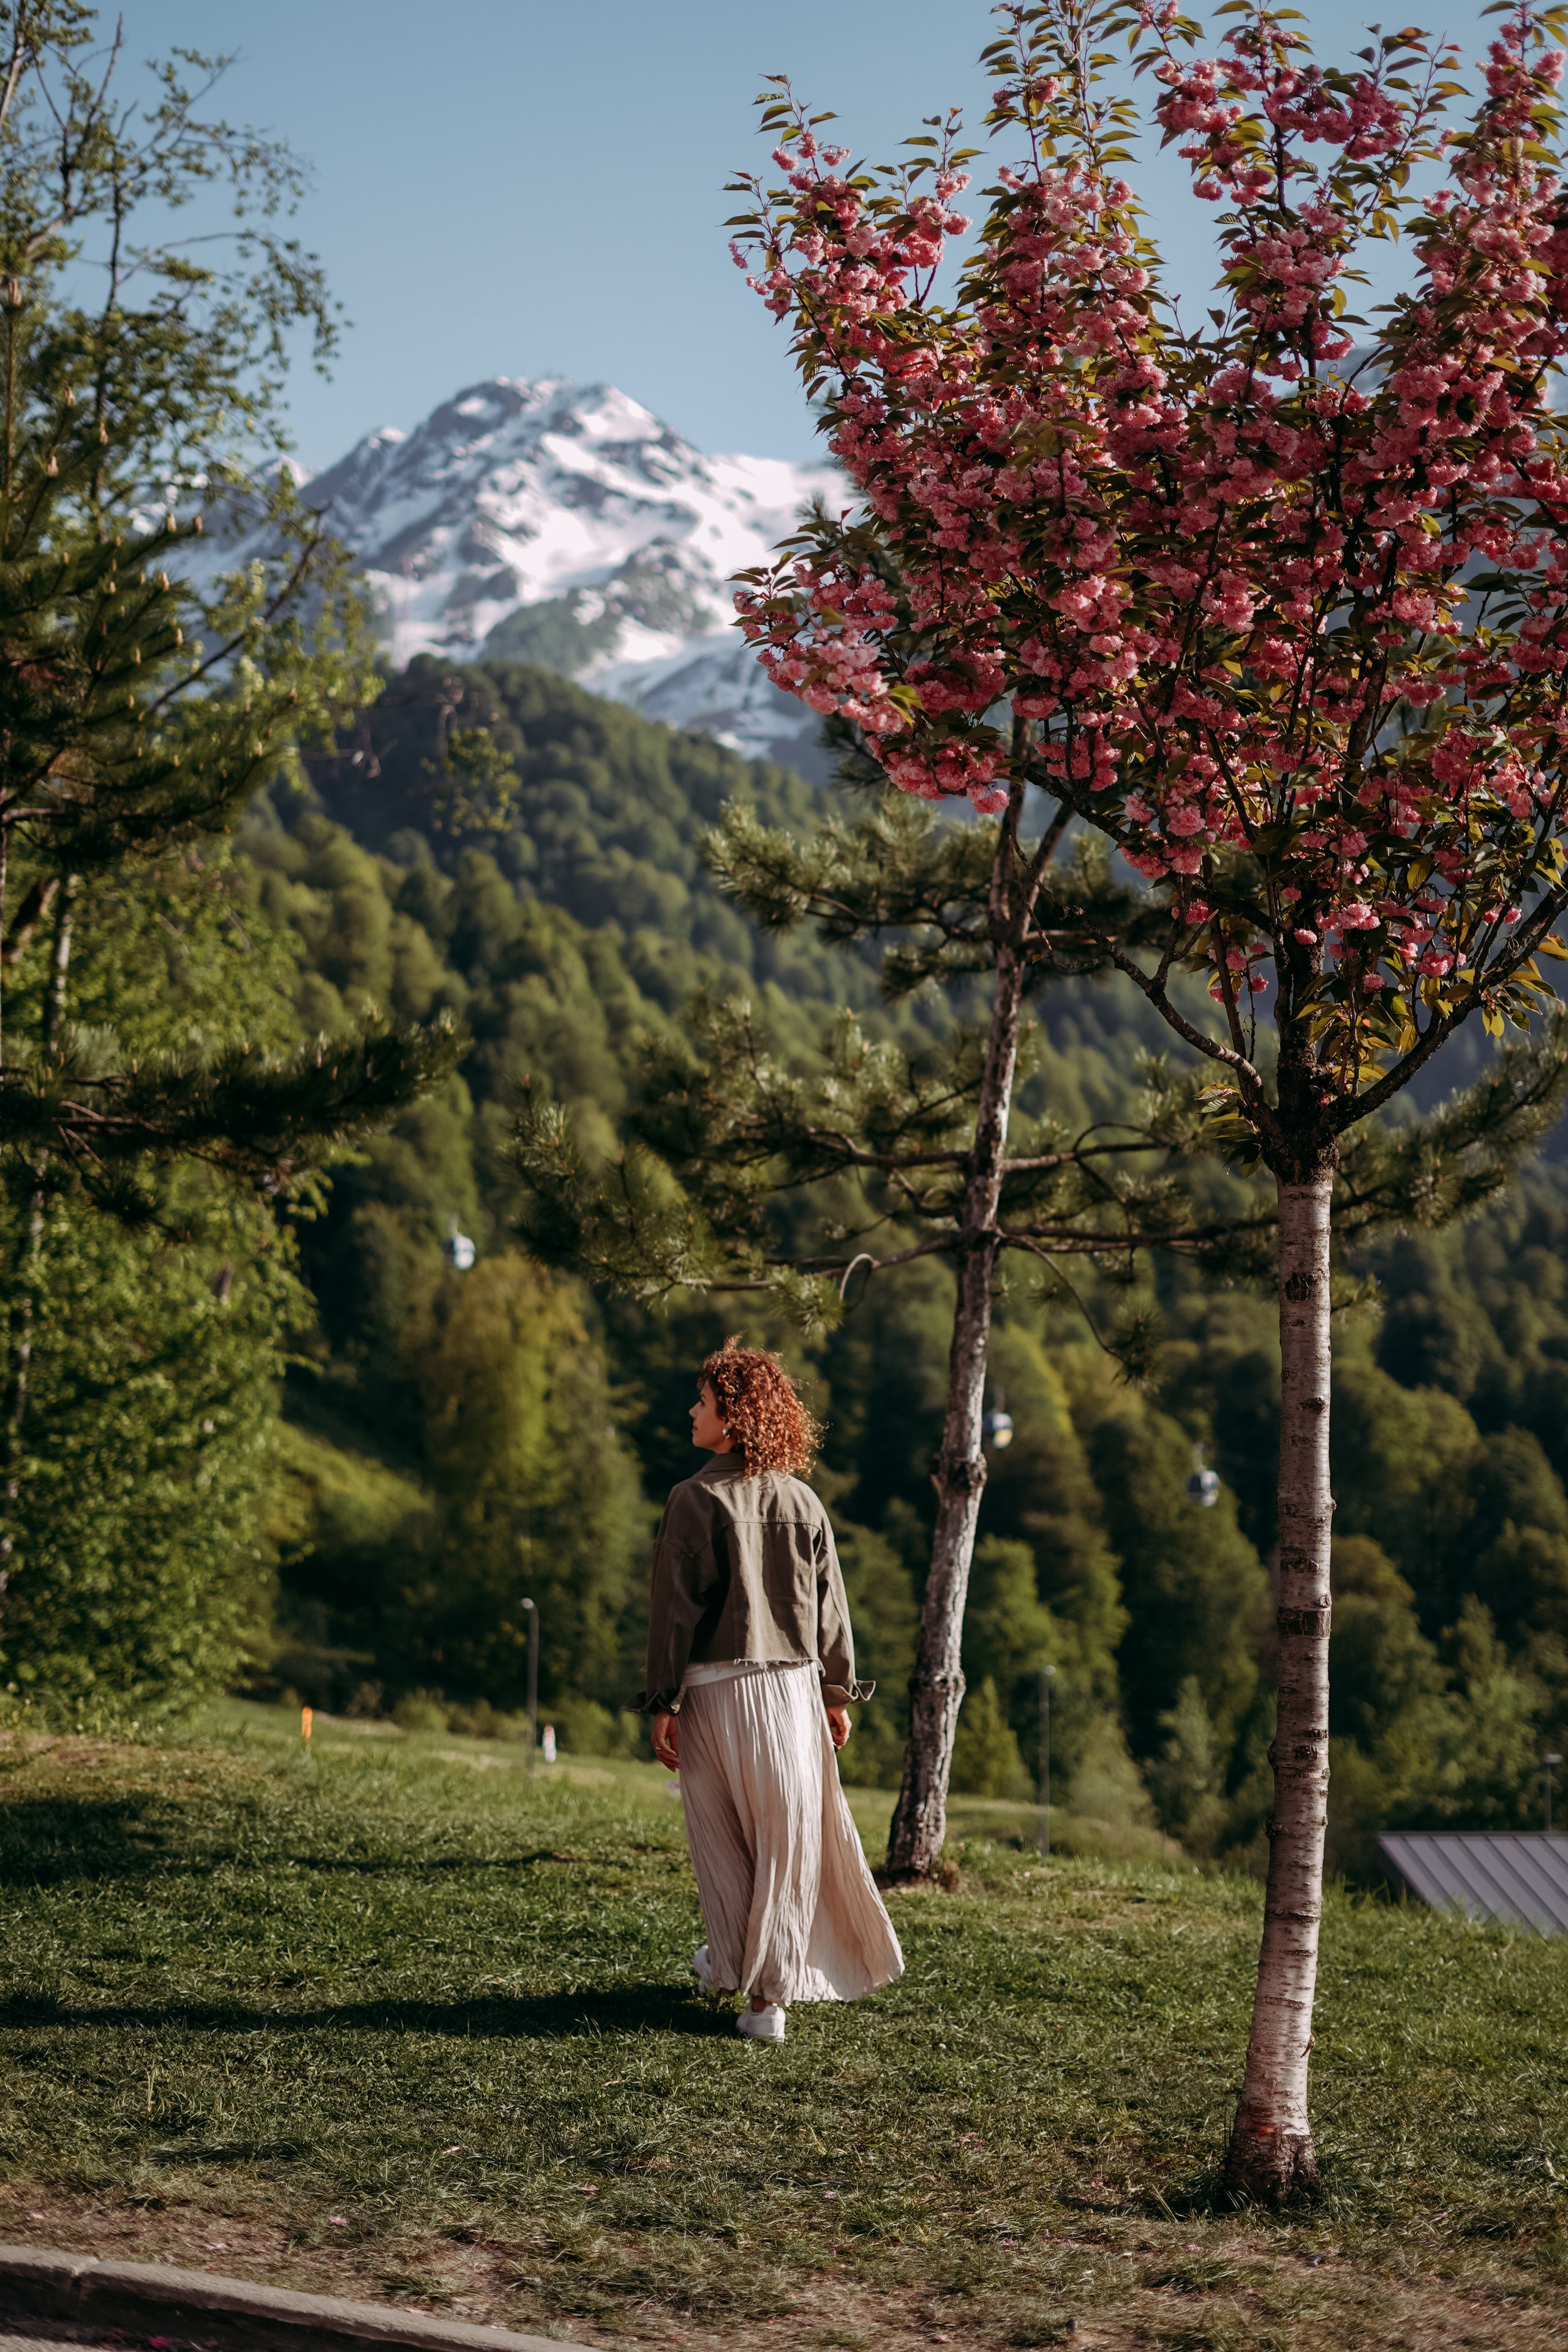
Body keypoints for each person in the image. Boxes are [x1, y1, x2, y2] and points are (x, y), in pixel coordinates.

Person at [642, 1336, 903, 2043]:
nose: (690, 1410)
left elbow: (673, 1611)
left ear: (730, 1418)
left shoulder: (692, 1499)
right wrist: (835, 1694)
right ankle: (762, 1999)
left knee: (723, 1845)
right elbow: (831, 1609)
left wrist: (662, 1701)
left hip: (712, 1696)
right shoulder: (803, 1502)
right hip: (789, 1693)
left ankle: (739, 1968)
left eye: (701, 1401)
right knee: (786, 1845)